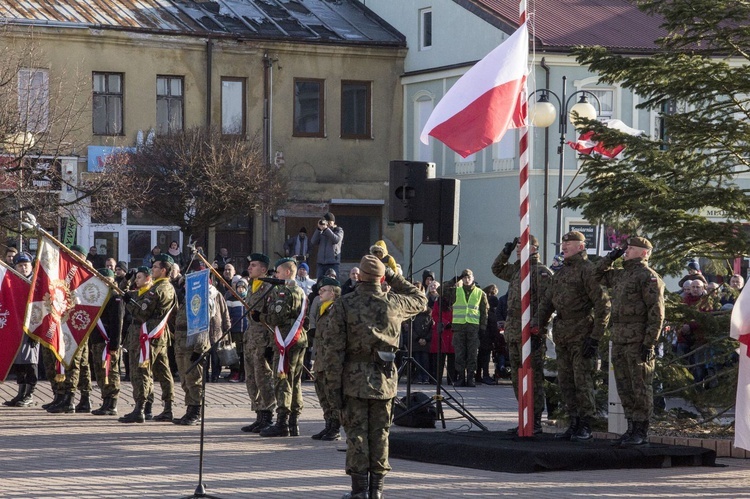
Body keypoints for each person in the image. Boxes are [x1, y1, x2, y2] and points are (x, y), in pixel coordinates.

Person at [322, 255, 427, 499]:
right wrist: (392, 274)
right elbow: (420, 299)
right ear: (381, 278)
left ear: (358, 277)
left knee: (357, 436)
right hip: (384, 380)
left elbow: (333, 350)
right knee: (380, 434)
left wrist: (332, 389)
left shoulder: (345, 304)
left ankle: (359, 490)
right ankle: (377, 491)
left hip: (352, 381)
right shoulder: (395, 303)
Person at [534, 231, 610, 442]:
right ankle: (573, 422)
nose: (564, 246)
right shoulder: (560, 272)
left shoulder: (589, 271)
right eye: (563, 243)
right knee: (565, 380)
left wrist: (595, 337)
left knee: (582, 380)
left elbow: (603, 305)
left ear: (581, 246)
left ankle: (585, 424)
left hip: (582, 332)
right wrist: (536, 327)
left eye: (569, 243)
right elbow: (547, 303)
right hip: (562, 332)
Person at [593, 237, 665, 446]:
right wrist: (610, 257)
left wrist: (650, 343)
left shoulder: (648, 277)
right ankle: (631, 427)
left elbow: (656, 313)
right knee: (624, 385)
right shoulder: (622, 274)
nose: (626, 251)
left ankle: (641, 430)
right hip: (619, 337)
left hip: (638, 339)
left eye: (631, 248)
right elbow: (596, 275)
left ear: (644, 253)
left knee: (640, 385)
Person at [492, 235, 553, 433]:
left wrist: (537, 328)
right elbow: (497, 269)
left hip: (531, 334)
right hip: (514, 333)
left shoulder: (540, 272)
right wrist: (506, 251)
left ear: (534, 248)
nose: (519, 249)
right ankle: (523, 418)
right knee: (518, 379)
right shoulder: (517, 270)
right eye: (517, 246)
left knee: (533, 378)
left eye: (522, 246)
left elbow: (547, 304)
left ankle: (534, 421)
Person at [120, 255, 177, 423]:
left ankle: (140, 408)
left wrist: (129, 303)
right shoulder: (170, 288)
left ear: (163, 270)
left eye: (156, 268)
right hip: (160, 335)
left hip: (146, 335)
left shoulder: (156, 290)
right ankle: (168, 407)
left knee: (141, 371)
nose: (153, 270)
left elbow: (142, 313)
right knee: (163, 371)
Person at [259, 258, 308, 438]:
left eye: (278, 272)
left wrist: (261, 317)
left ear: (288, 272)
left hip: (287, 339)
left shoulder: (284, 292)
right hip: (299, 339)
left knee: (282, 379)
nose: (276, 275)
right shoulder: (301, 291)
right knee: (295, 381)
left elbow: (276, 317)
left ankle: (282, 422)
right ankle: (293, 422)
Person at [240, 253, 277, 434]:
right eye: (249, 265)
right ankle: (259, 415)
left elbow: (272, 317)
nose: (249, 268)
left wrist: (271, 345)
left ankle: (268, 414)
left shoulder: (269, 287)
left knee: (264, 378)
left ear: (263, 269)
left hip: (263, 340)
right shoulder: (252, 287)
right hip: (251, 339)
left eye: (253, 265)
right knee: (251, 379)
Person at [3, 252, 39, 408]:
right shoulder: (14, 282)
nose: (23, 268)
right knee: (18, 361)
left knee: (30, 361)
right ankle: (21, 392)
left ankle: (29, 394)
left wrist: (36, 331)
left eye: (26, 265)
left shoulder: (37, 283)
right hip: (17, 326)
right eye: (20, 265)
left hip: (33, 327)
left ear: (31, 266)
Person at [310, 277, 343, 441]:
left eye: (323, 290)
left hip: (332, 361)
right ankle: (328, 424)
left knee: (332, 395)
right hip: (321, 359)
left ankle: (335, 426)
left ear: (333, 292)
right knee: (322, 393)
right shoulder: (322, 309)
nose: (319, 292)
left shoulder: (337, 310)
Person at [90, 269, 125, 416]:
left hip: (108, 341)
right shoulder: (97, 297)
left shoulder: (115, 298)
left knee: (111, 373)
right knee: (99, 372)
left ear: (113, 281)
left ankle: (112, 403)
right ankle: (105, 400)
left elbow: (117, 323)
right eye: (101, 279)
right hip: (97, 340)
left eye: (107, 280)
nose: (104, 282)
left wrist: (114, 345)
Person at [448, 269, 488, 387]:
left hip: (473, 327)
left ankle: (471, 377)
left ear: (473, 278)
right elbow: (442, 290)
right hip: (459, 326)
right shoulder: (456, 291)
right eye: (464, 277)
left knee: (472, 353)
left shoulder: (480, 293)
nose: (466, 279)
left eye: (468, 277)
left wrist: (483, 328)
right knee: (459, 353)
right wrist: (455, 280)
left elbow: (484, 312)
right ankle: (461, 377)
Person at [226, 279, 249, 382]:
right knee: (235, 352)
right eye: (239, 287)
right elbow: (227, 315)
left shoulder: (249, 299)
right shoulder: (231, 300)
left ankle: (244, 373)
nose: (240, 289)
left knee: (245, 352)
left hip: (246, 330)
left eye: (242, 287)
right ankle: (235, 372)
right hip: (235, 330)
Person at [310, 212, 343, 278]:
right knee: (319, 283)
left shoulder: (338, 230)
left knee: (333, 283)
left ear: (332, 222)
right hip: (321, 263)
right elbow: (313, 241)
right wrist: (319, 229)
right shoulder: (322, 232)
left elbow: (336, 239)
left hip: (333, 263)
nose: (326, 224)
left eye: (328, 222)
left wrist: (326, 229)